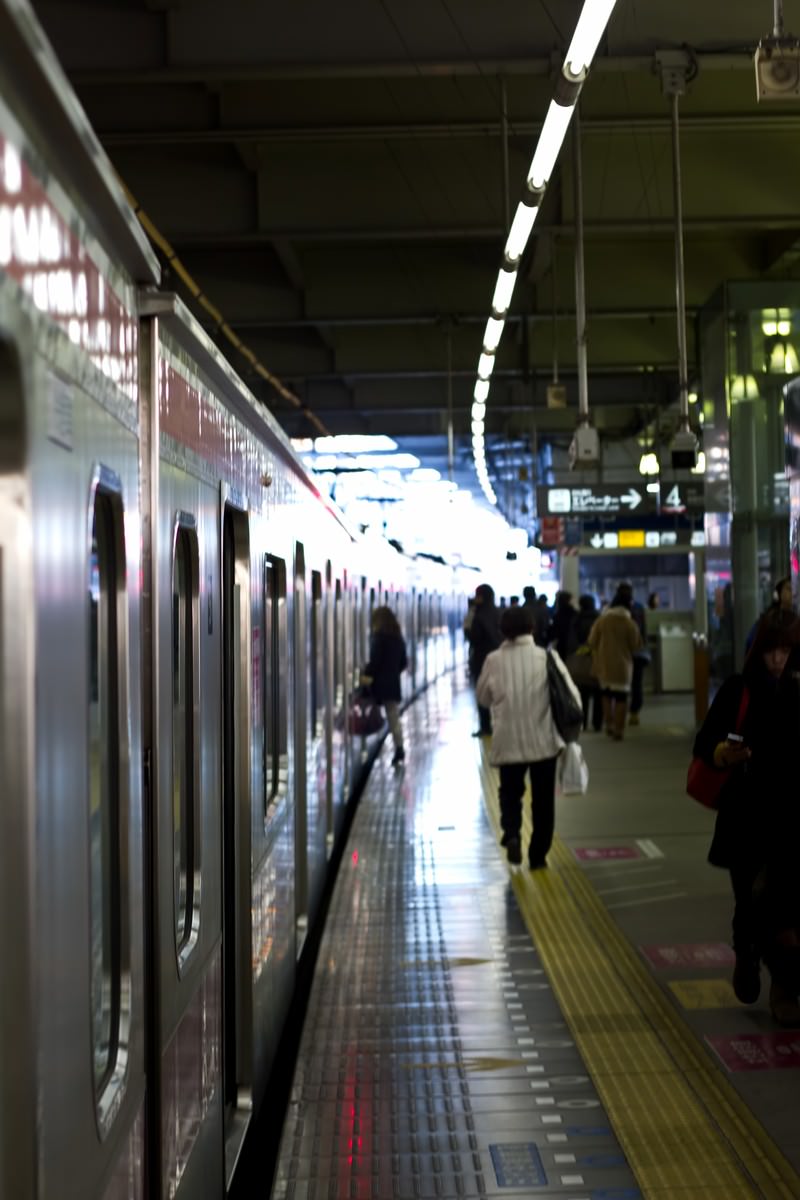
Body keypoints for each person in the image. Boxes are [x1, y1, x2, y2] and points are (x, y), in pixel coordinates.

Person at [692, 610, 800, 1024]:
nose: (779, 660)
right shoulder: (740, 690)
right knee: (748, 899)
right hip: (747, 813)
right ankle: (747, 953)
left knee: (785, 905)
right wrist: (725, 753)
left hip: (791, 817)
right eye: (772, 650)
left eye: (788, 650)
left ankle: (785, 986)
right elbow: (706, 743)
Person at [476, 605, 581, 869]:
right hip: (543, 742)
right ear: (532, 628)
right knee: (543, 800)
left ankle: (512, 834)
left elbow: (483, 698)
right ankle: (538, 855)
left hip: (508, 741)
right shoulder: (547, 658)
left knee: (510, 793)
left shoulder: (493, 660)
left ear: (503, 631)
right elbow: (572, 697)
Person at [587, 582, 642, 740]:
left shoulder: (602, 620)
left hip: (603, 664)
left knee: (606, 695)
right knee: (621, 697)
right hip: (623, 666)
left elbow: (592, 640)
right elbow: (636, 645)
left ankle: (609, 725)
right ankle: (619, 729)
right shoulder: (630, 623)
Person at [361, 605, 408, 766]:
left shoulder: (378, 638)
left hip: (378, 685)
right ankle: (399, 747)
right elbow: (404, 662)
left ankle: (372, 746)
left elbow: (374, 663)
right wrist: (393, 672)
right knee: (393, 716)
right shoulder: (398, 637)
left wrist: (365, 675)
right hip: (393, 684)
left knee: (369, 712)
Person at [464, 584, 502, 735]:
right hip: (499, 658)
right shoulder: (499, 612)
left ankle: (485, 727)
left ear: (482, 597)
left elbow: (473, 638)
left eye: (477, 596)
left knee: (482, 693)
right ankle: (498, 724)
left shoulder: (478, 616)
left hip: (481, 660)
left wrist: (467, 627)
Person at [569, 594, 602, 732]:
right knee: (599, 692)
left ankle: (583, 722)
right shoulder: (600, 618)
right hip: (597, 658)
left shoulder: (576, 619)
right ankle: (597, 723)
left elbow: (571, 640)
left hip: (580, 659)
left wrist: (581, 650)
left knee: (582, 694)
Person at [745, 575, 795, 652]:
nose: (793, 593)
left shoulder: (795, 619)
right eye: (789, 589)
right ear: (779, 593)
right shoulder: (769, 619)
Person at [628, 590, 649, 727]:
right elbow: (644, 630)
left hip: (622, 654)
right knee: (637, 683)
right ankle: (634, 713)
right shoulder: (639, 608)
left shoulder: (614, 611)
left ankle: (615, 718)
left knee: (619, 686)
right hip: (638, 652)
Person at [547, 590, 578, 660]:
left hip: (560, 645)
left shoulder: (557, 614)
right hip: (572, 645)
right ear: (569, 600)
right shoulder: (575, 614)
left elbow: (553, 632)